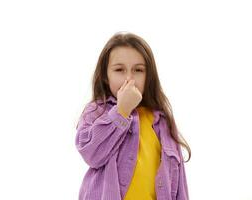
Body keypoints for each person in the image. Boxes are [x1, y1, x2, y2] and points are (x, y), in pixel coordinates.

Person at [75, 31, 191, 200]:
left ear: (148, 76)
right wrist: (122, 111)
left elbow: (179, 184)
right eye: (119, 70)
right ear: (106, 76)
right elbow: (92, 154)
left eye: (138, 70)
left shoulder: (163, 122)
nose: (129, 78)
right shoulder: (96, 112)